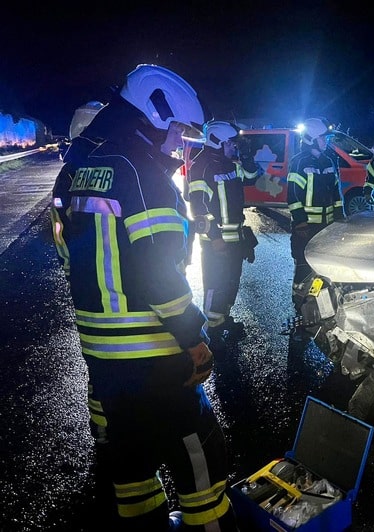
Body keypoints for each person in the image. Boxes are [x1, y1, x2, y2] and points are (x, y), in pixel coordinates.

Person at [49, 64, 239, 531]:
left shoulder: (75, 170)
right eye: (179, 132)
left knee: (131, 469)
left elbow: (63, 248)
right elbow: (159, 274)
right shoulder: (144, 174)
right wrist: (193, 335)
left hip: (101, 355)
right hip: (153, 354)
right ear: (155, 116)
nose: (181, 144)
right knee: (201, 460)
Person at [187, 120, 262, 347]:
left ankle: (222, 318)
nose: (234, 147)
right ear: (218, 142)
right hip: (216, 240)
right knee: (215, 284)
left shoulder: (230, 164)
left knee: (231, 283)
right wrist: (215, 238)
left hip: (236, 237)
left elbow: (253, 176)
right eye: (231, 143)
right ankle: (212, 329)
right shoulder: (201, 166)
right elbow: (198, 208)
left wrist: (246, 156)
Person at [287, 117, 345, 299]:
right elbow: (293, 196)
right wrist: (300, 222)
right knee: (304, 267)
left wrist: (339, 217)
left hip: (326, 226)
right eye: (323, 138)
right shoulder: (299, 162)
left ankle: (317, 301)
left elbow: (336, 192)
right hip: (306, 227)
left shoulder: (328, 161)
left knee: (322, 266)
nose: (326, 141)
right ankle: (299, 300)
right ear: (312, 138)